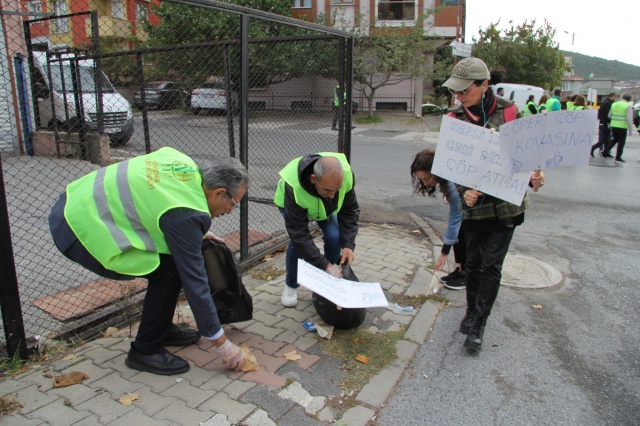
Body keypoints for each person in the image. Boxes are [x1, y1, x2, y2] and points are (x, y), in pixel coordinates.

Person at [49, 147, 250, 375]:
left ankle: (159, 329)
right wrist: (222, 344)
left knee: (171, 265)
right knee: (171, 271)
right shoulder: (188, 214)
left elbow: (159, 203)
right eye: (233, 202)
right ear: (217, 193)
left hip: (75, 199)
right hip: (77, 228)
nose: (231, 210)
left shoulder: (181, 162)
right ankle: (145, 350)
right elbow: (196, 283)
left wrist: (197, 235)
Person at [442, 57, 546, 351]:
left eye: (466, 91)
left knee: (491, 266)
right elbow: (453, 165)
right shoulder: (453, 118)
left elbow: (529, 154)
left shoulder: (511, 111)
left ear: (484, 85)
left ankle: (479, 323)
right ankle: (470, 309)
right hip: (475, 208)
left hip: (506, 206)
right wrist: (464, 192)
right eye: (456, 92)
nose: (459, 97)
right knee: (472, 264)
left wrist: (535, 177)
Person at [273, 153, 360, 307]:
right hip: (293, 205)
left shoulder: (345, 176)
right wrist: (324, 265)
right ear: (314, 179)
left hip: (325, 208)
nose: (333, 195)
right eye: (328, 190)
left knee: (334, 236)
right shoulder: (294, 187)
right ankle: (291, 285)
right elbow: (300, 235)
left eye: (337, 190)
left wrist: (348, 245)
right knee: (297, 245)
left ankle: (326, 282)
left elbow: (349, 211)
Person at [410, 148, 466, 290]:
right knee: (459, 232)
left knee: (462, 231)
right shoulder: (446, 179)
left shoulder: (453, 187)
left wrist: (444, 252)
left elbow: (455, 219)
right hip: (466, 211)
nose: (425, 183)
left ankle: (466, 274)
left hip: (480, 213)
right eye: (421, 180)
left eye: (427, 178)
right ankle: (460, 269)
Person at [602, 93, 634, 163]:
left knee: (614, 140)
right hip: (622, 127)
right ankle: (618, 157)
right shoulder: (627, 106)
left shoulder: (614, 104)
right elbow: (629, 119)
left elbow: (609, 115)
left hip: (614, 125)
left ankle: (605, 152)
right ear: (629, 100)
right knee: (621, 142)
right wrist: (630, 130)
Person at [591, 92, 618, 158]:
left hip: (602, 122)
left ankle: (606, 152)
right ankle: (593, 148)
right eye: (615, 97)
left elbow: (600, 114)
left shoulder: (604, 102)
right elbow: (608, 115)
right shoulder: (609, 104)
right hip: (606, 123)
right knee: (605, 139)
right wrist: (608, 123)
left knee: (607, 139)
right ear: (613, 96)